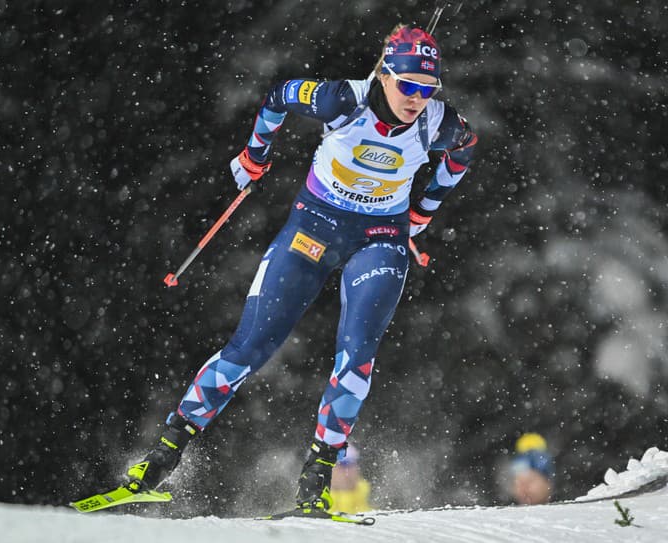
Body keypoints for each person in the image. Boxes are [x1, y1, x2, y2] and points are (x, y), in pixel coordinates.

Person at [123, 24, 477, 514]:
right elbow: (277, 96)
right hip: (314, 226)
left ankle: (317, 484)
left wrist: (424, 211)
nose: (417, 98)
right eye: (407, 86)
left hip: (380, 238)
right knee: (250, 346)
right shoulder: (340, 100)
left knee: (357, 356)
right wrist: (254, 155)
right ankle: (161, 457)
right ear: (384, 75)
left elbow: (465, 149)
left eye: (427, 88)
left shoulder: (438, 123)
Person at [504, 433, 554, 505]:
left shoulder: (569, 508)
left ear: (547, 482)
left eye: (530, 481)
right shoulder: (504, 512)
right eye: (519, 483)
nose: (523, 489)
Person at [327, 443, 373, 514]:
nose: (346, 471)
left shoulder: (375, 502)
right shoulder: (310, 510)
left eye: (350, 464)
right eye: (340, 464)